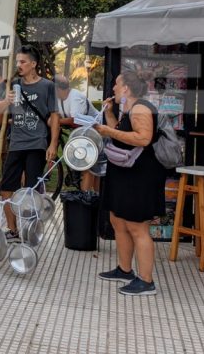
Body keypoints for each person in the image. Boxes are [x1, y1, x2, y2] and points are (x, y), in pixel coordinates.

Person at [95, 71, 164, 296]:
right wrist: (109, 116)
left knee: (137, 226)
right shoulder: (127, 108)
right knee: (118, 219)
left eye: (116, 84)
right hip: (125, 171)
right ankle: (125, 270)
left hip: (140, 175)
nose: (113, 88)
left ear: (126, 89)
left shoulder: (141, 108)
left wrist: (106, 130)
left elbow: (143, 138)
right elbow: (118, 134)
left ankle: (146, 281)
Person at [0, 46, 59, 239]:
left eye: (23, 62)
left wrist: (53, 143)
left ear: (33, 64)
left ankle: (31, 229)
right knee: (6, 188)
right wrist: (6, 101)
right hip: (16, 143)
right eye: (17, 62)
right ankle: (12, 230)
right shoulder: (13, 84)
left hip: (36, 143)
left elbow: (54, 116)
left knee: (32, 191)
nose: (19, 65)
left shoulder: (47, 86)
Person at [54, 74, 101, 192]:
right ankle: (91, 195)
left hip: (95, 131)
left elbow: (75, 120)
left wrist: (56, 121)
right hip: (80, 132)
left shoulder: (75, 97)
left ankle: (85, 197)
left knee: (88, 165)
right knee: (83, 164)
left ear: (57, 88)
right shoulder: (58, 99)